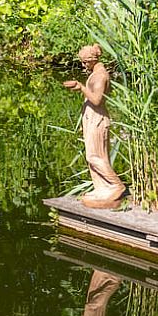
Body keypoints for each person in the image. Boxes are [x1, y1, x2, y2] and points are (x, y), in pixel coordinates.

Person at [63, 44, 126, 208]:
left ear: (92, 60)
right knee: (92, 155)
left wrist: (81, 87)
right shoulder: (95, 74)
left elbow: (97, 100)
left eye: (85, 62)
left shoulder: (100, 76)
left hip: (98, 119)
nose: (83, 66)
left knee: (95, 157)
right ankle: (102, 189)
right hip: (91, 119)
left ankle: (116, 185)